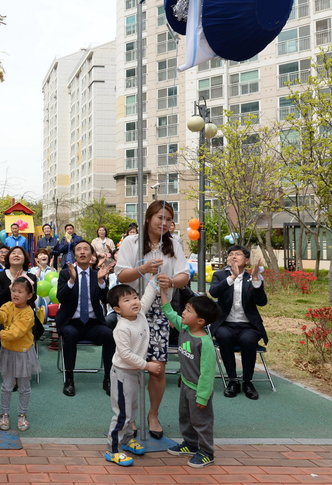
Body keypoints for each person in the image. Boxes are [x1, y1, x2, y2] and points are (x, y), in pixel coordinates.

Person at [115, 200, 189, 439]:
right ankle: (131, 417)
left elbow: (184, 275)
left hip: (159, 310)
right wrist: (143, 269)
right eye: (160, 218)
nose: (164, 223)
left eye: (168, 219)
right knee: (132, 366)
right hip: (132, 309)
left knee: (157, 367)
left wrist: (172, 282)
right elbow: (121, 275)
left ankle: (153, 414)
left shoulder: (174, 244)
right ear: (149, 218)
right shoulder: (131, 242)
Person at [160, 282, 221, 468]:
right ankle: (190, 444)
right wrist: (163, 291)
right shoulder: (185, 328)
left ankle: (206, 452)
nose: (183, 313)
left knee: (201, 422)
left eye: (188, 310)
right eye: (185, 309)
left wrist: (202, 396)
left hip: (198, 390)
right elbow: (170, 312)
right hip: (186, 384)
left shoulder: (205, 344)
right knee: (185, 417)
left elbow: (208, 373)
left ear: (200, 321)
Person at [104, 282, 162, 467]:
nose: (134, 302)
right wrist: (147, 366)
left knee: (132, 410)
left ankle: (127, 440)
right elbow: (125, 355)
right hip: (123, 374)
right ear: (117, 309)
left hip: (135, 373)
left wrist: (154, 279)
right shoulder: (122, 328)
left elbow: (149, 295)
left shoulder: (141, 314)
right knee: (123, 413)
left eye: (135, 297)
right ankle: (112, 449)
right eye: (127, 300)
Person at [209, 245, 268, 400]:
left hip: (248, 325)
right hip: (225, 324)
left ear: (246, 259)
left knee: (248, 340)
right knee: (224, 337)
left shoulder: (252, 276)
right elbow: (213, 292)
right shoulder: (220, 275)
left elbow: (262, 302)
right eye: (230, 254)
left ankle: (247, 381)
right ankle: (233, 381)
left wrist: (256, 281)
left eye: (238, 254)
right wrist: (232, 278)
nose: (233, 256)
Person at [56, 240, 114, 396]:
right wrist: (71, 281)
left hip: (93, 323)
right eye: (79, 250)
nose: (82, 252)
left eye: (86, 249)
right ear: (74, 254)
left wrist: (102, 281)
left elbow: (105, 299)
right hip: (71, 322)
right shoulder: (65, 273)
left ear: (92, 255)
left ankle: (108, 379)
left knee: (109, 335)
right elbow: (60, 297)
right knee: (70, 334)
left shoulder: (97, 274)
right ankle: (69, 379)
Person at [0, 277, 40, 432]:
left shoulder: (28, 313)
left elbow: (17, 332)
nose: (15, 294)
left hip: (23, 353)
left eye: (20, 291)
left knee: (24, 386)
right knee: (7, 385)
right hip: (8, 352)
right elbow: (2, 317)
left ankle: (22, 414)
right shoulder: (8, 305)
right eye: (14, 291)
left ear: (29, 295)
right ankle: (4, 414)